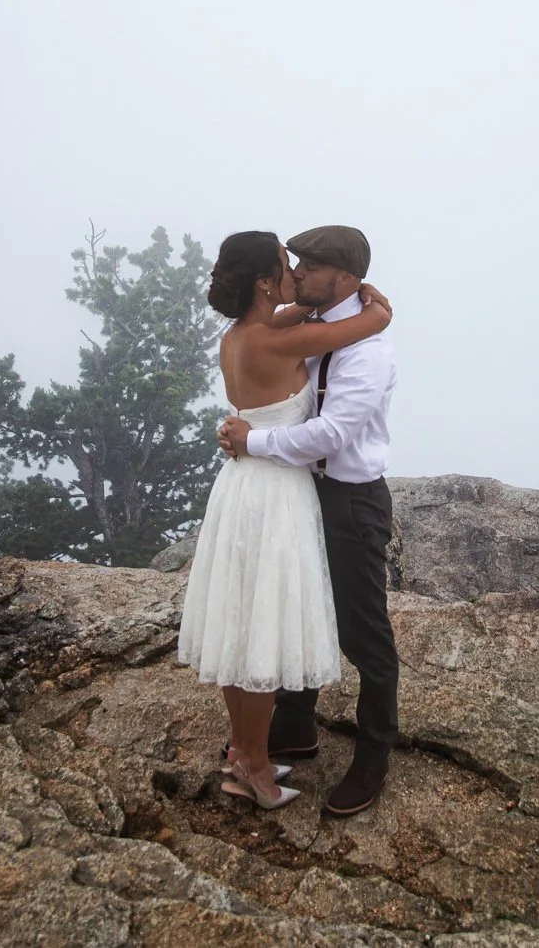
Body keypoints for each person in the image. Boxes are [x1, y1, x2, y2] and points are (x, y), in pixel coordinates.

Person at [179, 230, 393, 810]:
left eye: (307, 265)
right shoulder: (287, 337)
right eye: (287, 264)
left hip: (283, 489)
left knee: (261, 620)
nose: (296, 273)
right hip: (276, 492)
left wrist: (251, 438)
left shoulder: (253, 334)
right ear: (266, 282)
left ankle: (326, 748)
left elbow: (334, 424)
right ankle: (253, 756)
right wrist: (379, 309)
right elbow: (364, 324)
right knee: (265, 620)